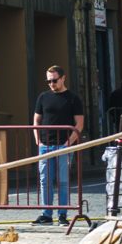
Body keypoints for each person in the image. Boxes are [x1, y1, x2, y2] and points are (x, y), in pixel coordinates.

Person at [32, 64, 84, 223]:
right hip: (45, 145)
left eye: (54, 80)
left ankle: (62, 215)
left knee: (63, 180)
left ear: (63, 78)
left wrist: (68, 143)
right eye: (48, 81)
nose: (51, 84)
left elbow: (79, 124)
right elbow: (36, 120)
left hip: (64, 145)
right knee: (45, 180)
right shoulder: (43, 97)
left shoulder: (73, 98)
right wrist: (38, 141)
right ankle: (46, 214)